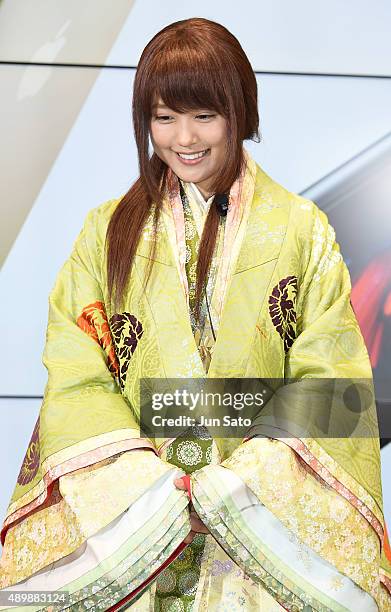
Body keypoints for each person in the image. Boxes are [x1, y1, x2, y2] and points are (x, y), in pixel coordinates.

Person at [0, 16, 390, 611]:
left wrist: (232, 492)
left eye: (204, 115)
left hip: (255, 538)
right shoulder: (105, 234)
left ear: (241, 113)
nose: (185, 138)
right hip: (141, 527)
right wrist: (155, 493)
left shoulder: (300, 231)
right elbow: (78, 378)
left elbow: (330, 382)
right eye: (164, 117)